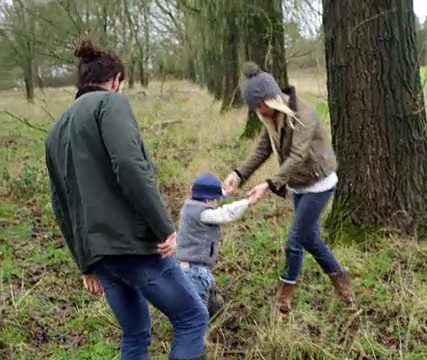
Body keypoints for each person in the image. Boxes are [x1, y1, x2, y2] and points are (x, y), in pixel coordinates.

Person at [44, 37, 208, 360]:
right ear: (116, 80)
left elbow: (60, 202)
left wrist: (85, 263)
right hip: (130, 246)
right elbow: (130, 166)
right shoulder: (110, 104)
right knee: (192, 317)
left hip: (99, 256)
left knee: (135, 332)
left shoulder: (55, 130)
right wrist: (163, 226)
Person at [222, 62, 356, 314]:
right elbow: (263, 149)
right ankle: (342, 284)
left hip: (319, 184)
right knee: (311, 239)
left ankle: (283, 300)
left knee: (294, 241)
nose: (257, 111)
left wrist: (268, 184)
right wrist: (238, 174)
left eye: (259, 105)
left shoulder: (302, 114)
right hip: (299, 186)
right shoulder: (270, 117)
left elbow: (297, 156)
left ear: (270, 99)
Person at [176, 172, 250, 317]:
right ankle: (197, 334)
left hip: (193, 268)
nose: (218, 204)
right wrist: (247, 202)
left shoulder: (189, 207)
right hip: (194, 271)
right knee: (197, 313)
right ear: (208, 200)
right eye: (217, 200)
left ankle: (216, 321)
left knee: (209, 302)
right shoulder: (203, 213)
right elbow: (226, 214)